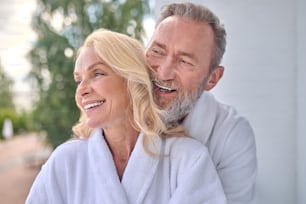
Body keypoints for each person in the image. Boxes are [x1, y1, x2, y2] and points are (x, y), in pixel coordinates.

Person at [26, 29, 226, 204]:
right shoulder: (66, 161)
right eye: (79, 80)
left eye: (97, 74)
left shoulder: (188, 159)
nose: (82, 91)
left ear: (131, 80)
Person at [146, 2, 257, 204]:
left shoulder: (231, 135)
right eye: (157, 51)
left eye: (185, 61)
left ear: (212, 78)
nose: (163, 72)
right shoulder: (117, 108)